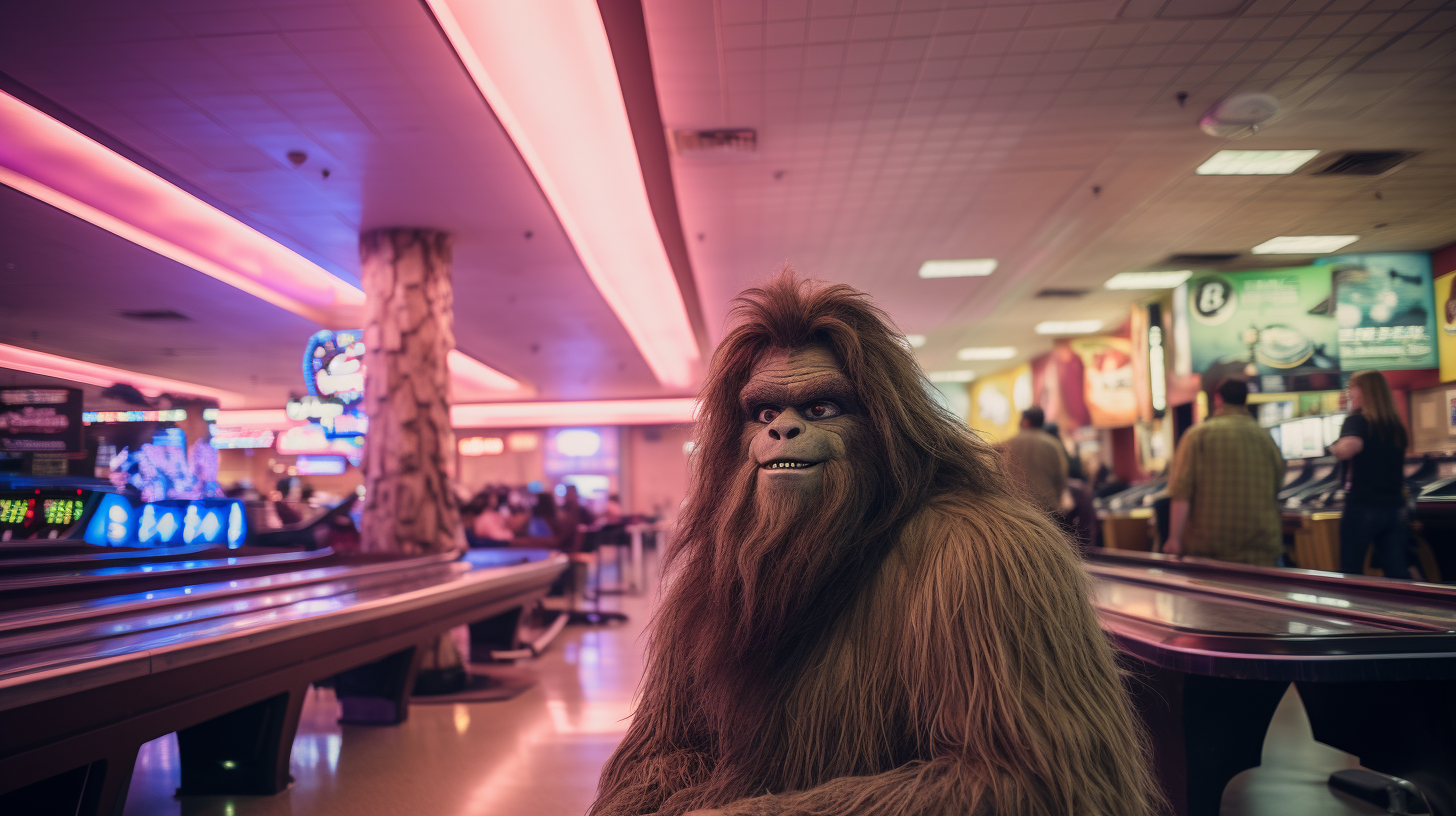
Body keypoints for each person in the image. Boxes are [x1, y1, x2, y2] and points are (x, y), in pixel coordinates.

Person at [1163, 379, 1286, 565]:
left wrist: (1174, 539)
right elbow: (1277, 487)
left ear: (1218, 399)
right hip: (1261, 552)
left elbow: (1181, 491)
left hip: (1211, 553)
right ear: (1245, 399)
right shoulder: (1266, 438)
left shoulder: (1197, 435)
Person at [1331, 369, 1411, 578]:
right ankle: (1405, 609)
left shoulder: (1357, 420)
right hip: (1394, 507)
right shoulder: (1395, 426)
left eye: (1352, 388)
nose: (1349, 393)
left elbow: (1349, 447)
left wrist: (1334, 448)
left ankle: (1353, 609)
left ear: (1365, 391)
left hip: (1363, 505)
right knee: (1396, 571)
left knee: (1352, 571)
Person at [998, 405, 1068, 516]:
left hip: (1016, 509)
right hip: (1048, 509)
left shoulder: (1006, 444)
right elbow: (1061, 477)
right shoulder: (1054, 444)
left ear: (1025, 421)